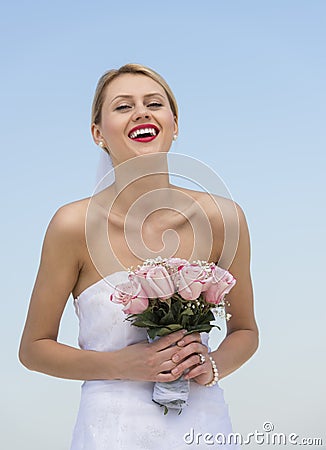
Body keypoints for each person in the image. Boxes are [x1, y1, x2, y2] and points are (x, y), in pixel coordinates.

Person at [19, 63, 259, 449]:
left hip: (204, 427)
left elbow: (246, 331)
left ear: (174, 124)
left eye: (153, 103)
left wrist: (211, 366)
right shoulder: (71, 226)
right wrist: (120, 366)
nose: (142, 112)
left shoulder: (223, 218)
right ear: (98, 133)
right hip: (111, 431)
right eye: (123, 106)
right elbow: (33, 349)